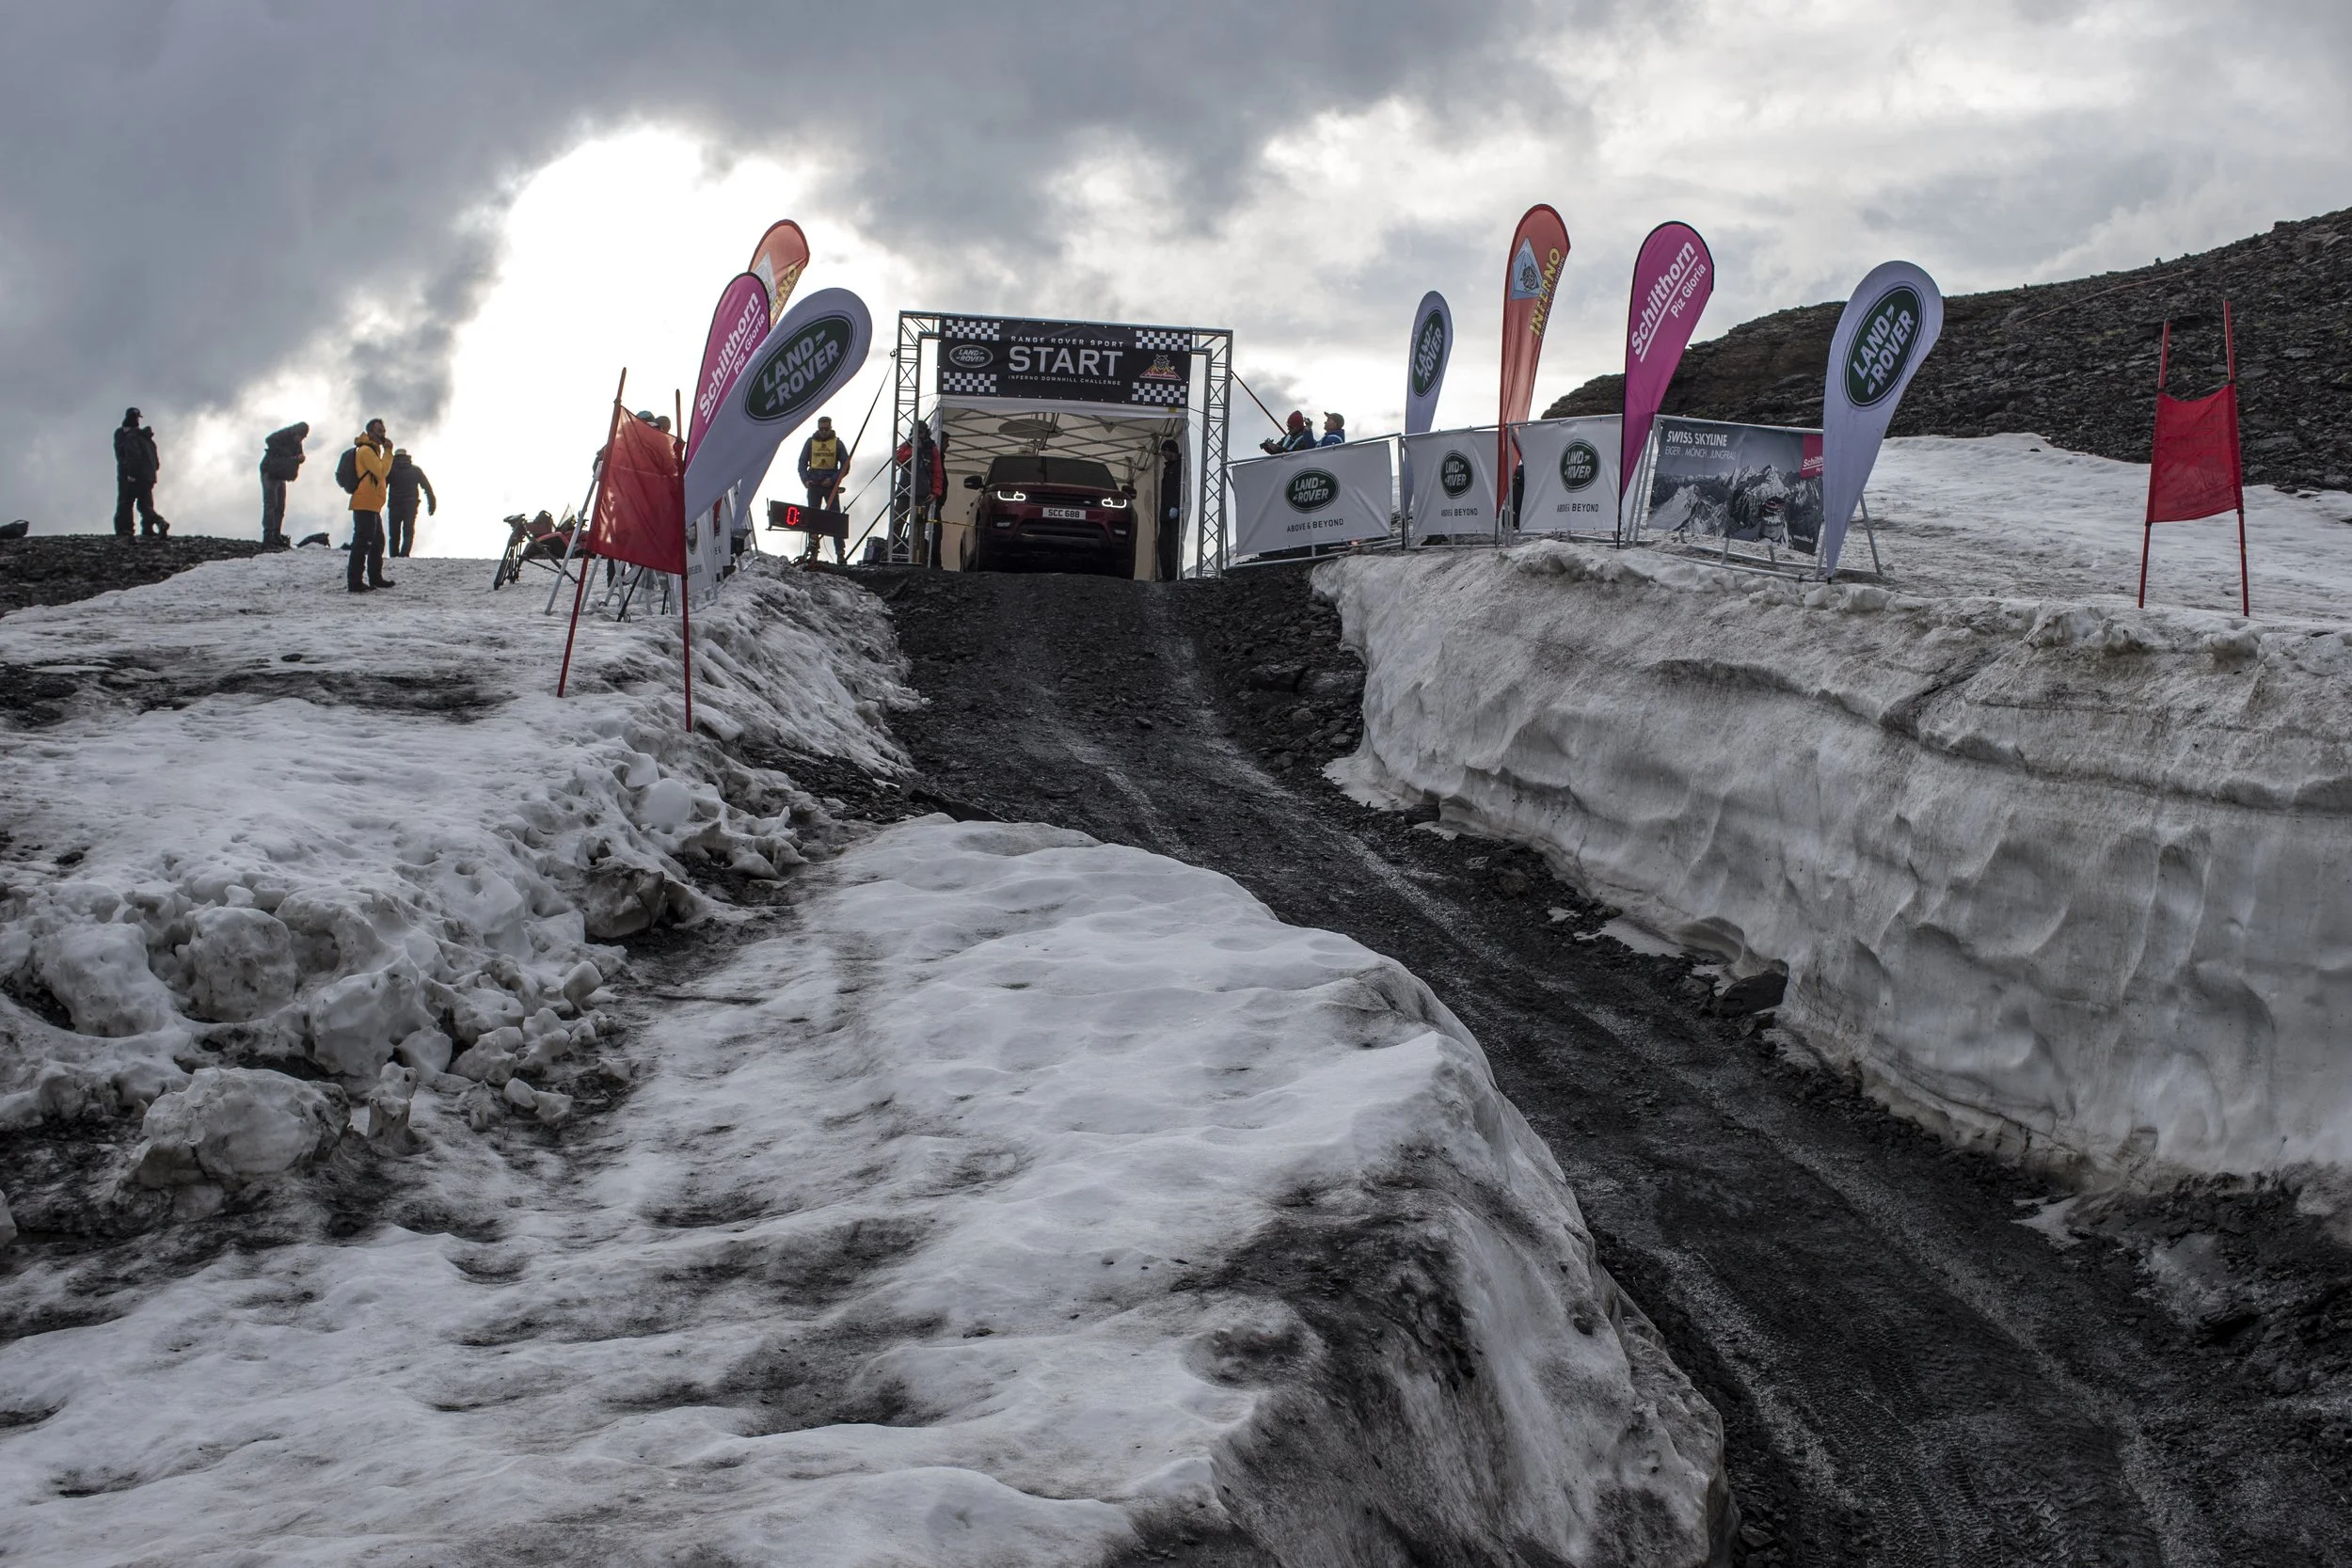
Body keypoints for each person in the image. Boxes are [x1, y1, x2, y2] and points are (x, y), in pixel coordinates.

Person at [346, 420, 394, 593]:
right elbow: (381, 471)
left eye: (384, 430)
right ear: (371, 433)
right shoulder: (366, 450)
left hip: (372, 504)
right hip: (364, 502)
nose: (383, 434)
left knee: (377, 542)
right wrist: (389, 452)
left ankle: (375, 577)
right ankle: (355, 582)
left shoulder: (373, 450)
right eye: (380, 431)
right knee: (362, 542)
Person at [113, 408, 167, 538]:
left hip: (132, 475)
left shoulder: (128, 435)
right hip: (149, 476)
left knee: (125, 502)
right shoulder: (146, 438)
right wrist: (151, 472)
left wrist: (132, 473)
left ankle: (125, 531)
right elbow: (156, 461)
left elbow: (133, 455)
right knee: (145, 504)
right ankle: (152, 527)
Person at [260, 422, 308, 546]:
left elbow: (297, 457)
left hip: (281, 474)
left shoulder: (298, 443)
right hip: (270, 471)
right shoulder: (284, 434)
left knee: (280, 505)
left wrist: (299, 458)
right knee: (271, 503)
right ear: (295, 432)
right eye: (300, 436)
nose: (300, 439)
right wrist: (288, 455)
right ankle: (268, 534)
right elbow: (269, 440)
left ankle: (276, 533)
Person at [385, 449, 436, 558]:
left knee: (394, 533)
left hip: (394, 505)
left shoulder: (390, 470)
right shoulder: (416, 470)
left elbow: (381, 487)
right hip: (410, 505)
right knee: (408, 531)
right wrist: (432, 504)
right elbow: (427, 488)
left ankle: (394, 556)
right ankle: (404, 554)